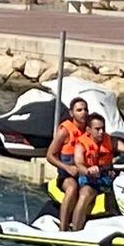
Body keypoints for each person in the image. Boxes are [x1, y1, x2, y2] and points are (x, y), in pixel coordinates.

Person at [45, 97, 89, 231]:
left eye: (85, 109)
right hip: (67, 176)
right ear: (72, 113)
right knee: (72, 187)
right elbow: (49, 155)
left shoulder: (90, 130)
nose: (83, 113)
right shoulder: (65, 131)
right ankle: (63, 228)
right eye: (79, 110)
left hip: (85, 174)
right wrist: (67, 168)